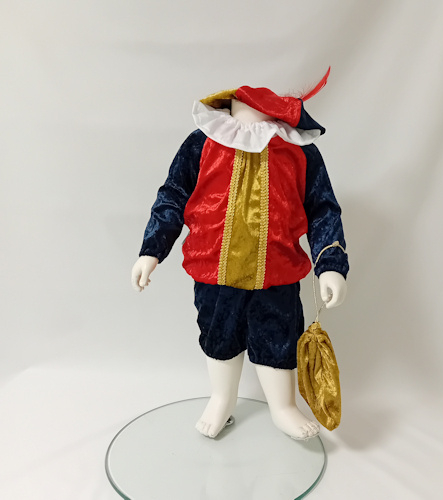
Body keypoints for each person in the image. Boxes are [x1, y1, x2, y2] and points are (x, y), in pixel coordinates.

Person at [131, 83, 349, 440]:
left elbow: (322, 209)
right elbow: (173, 195)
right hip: (213, 268)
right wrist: (151, 250)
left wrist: (331, 265)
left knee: (278, 336)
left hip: (277, 271)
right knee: (219, 334)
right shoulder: (201, 143)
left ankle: (283, 407)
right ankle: (222, 398)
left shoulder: (298, 149)